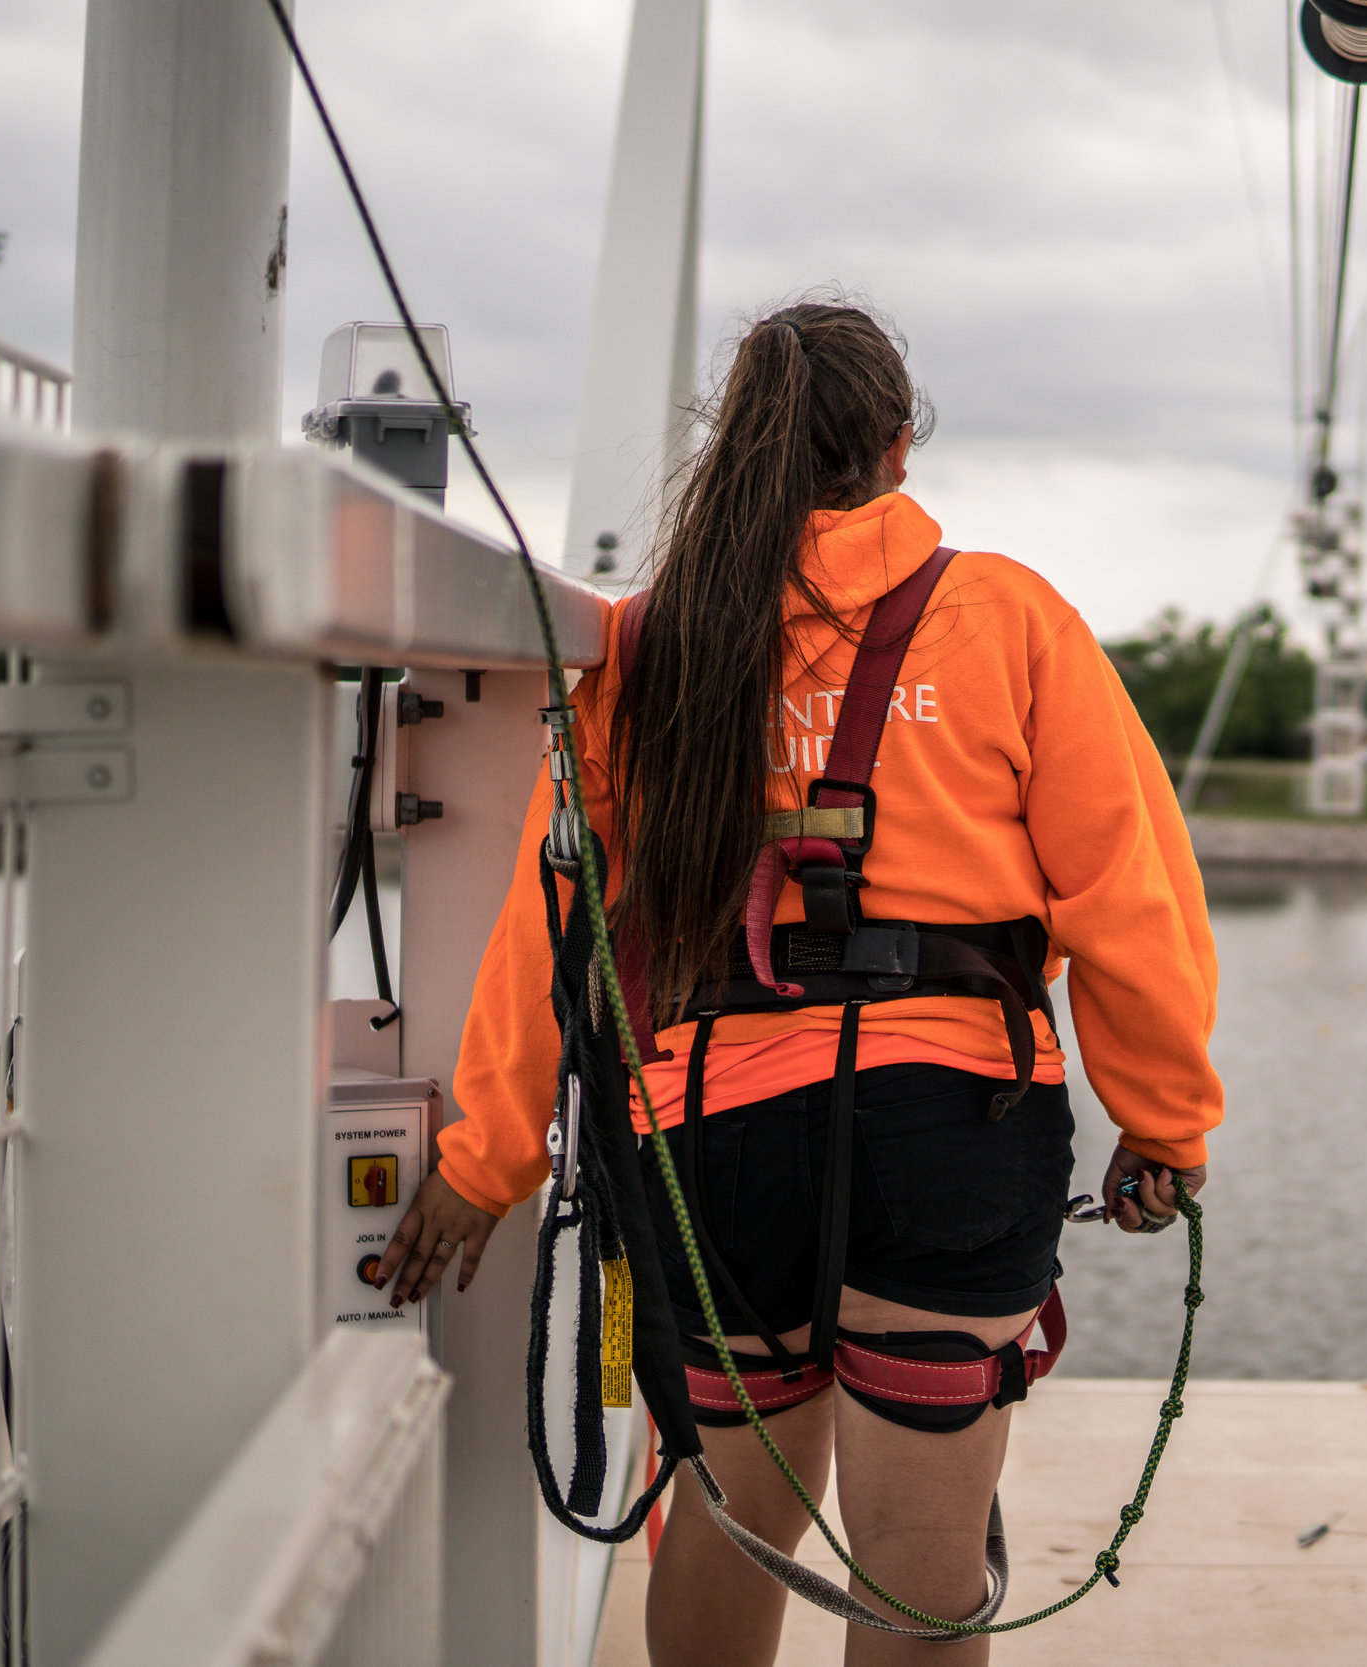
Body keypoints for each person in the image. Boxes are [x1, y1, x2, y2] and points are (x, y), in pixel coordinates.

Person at [373, 298, 1221, 1666]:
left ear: (735, 447)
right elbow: (1130, 902)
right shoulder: (1006, 617)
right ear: (897, 445)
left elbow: (558, 929)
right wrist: (1165, 1123)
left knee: (733, 1514)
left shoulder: (648, 647)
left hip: (714, 1133)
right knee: (923, 1561)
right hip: (955, 1123)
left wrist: (485, 1161)